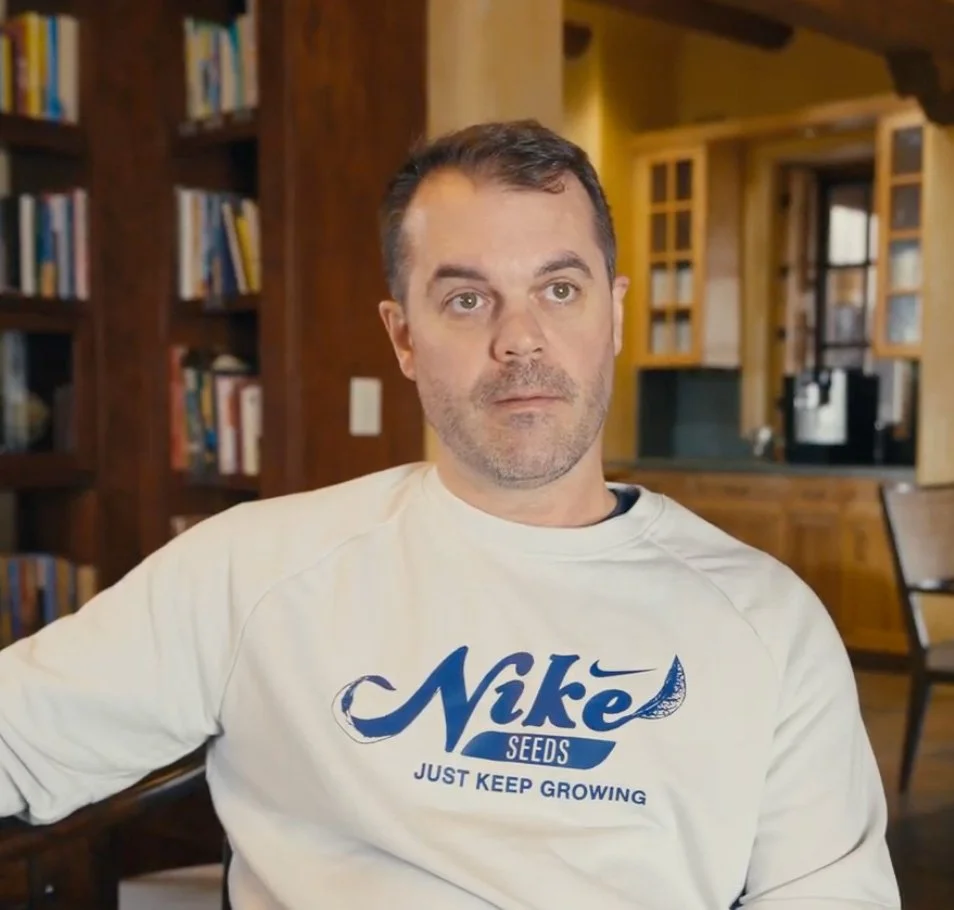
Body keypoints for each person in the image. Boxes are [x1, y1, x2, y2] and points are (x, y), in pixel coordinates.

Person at [0, 120, 900, 910]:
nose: (519, 339)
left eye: (559, 289)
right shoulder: (254, 568)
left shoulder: (768, 626)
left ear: (615, 314)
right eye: (467, 299)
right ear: (402, 335)